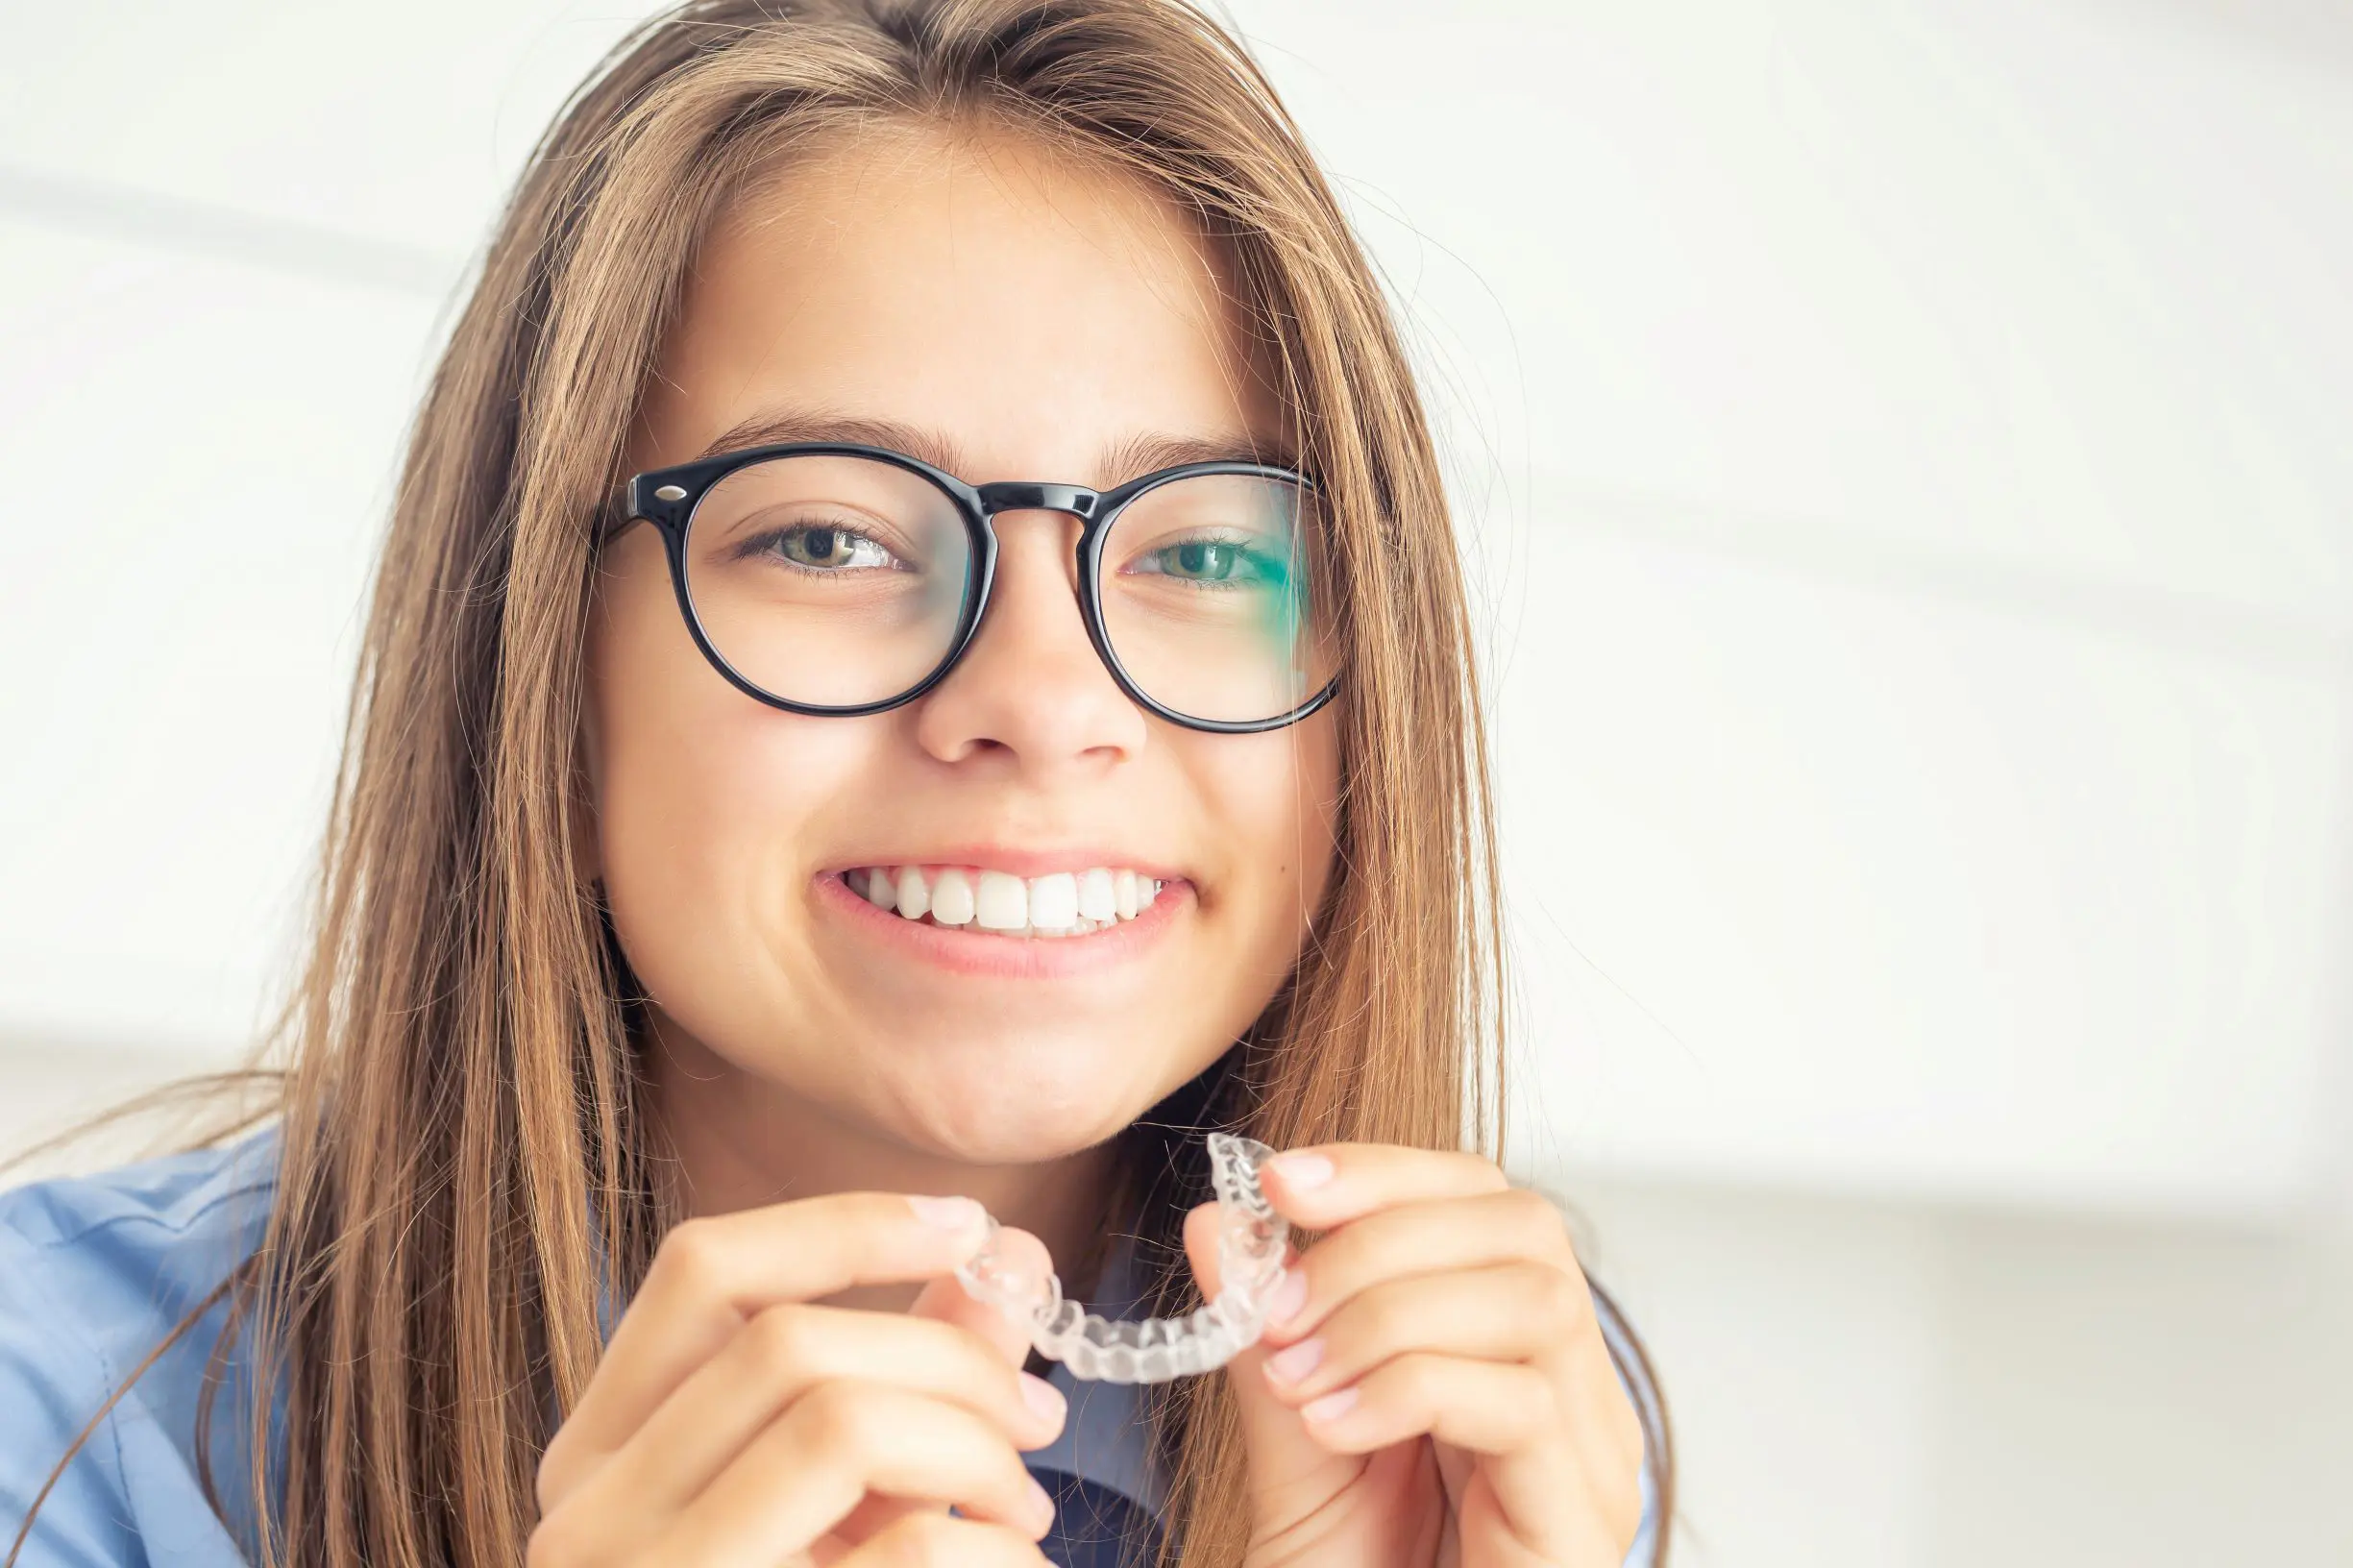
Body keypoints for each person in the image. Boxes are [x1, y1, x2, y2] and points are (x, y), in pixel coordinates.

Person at [0, 2, 1673, 1564]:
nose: (1041, 702)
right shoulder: (55, 1419)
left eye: (1208, 549)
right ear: (541, 663)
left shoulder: (1484, 1423)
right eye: (827, 536)